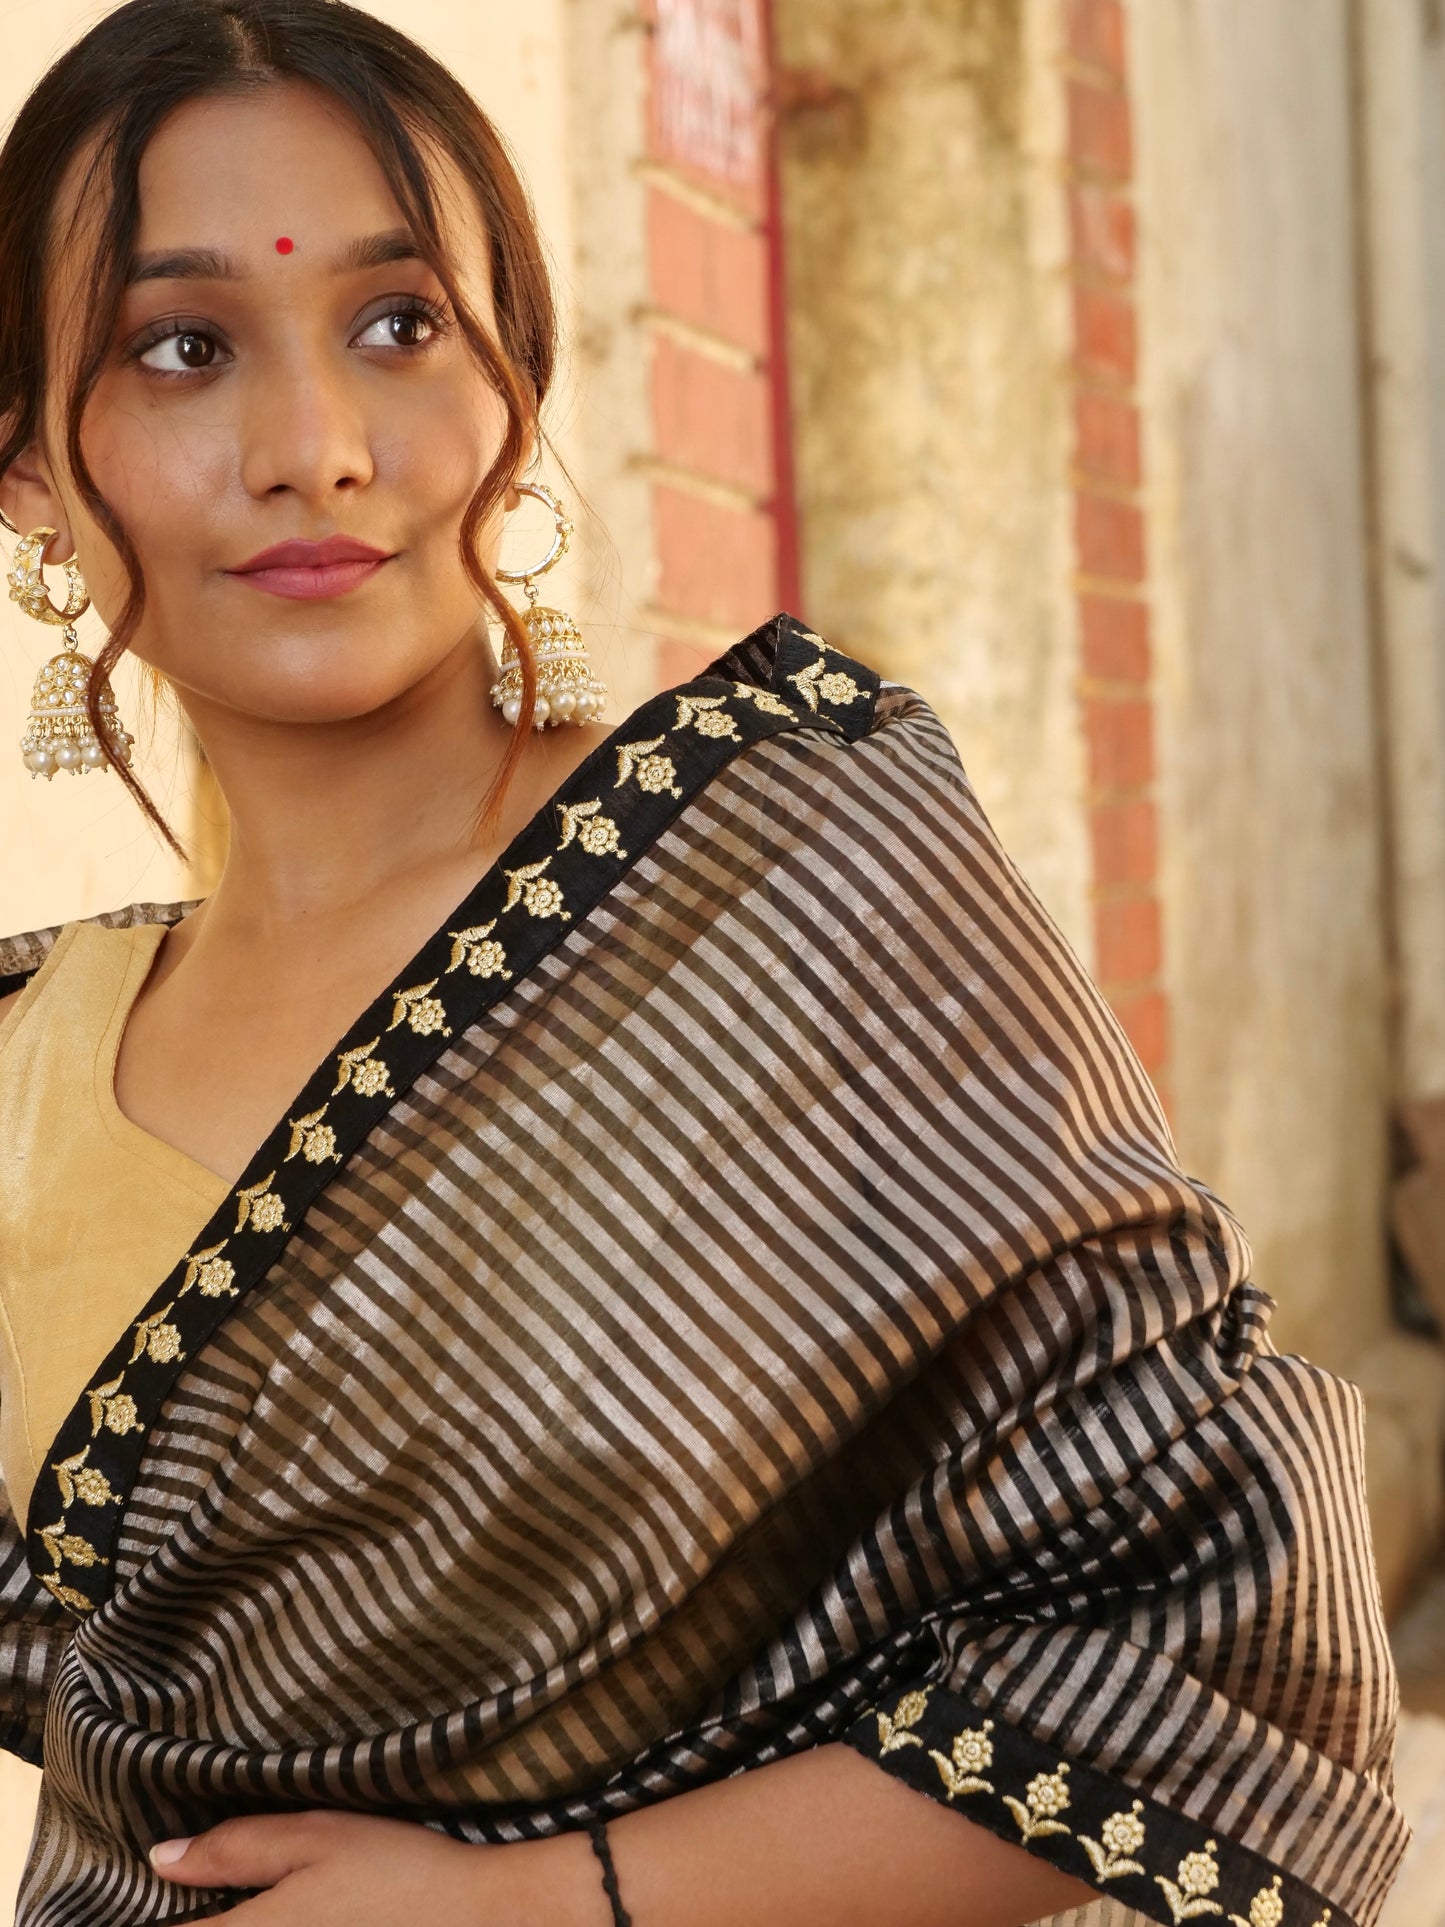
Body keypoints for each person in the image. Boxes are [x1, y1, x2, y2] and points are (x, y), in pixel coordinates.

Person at [0, 2, 1409, 1923]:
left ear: (514, 394)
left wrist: (542, 1903)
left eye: (399, 324)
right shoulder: (31, 1064)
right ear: (26, 461)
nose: (314, 448)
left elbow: (1228, 1623)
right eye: (183, 348)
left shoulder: (784, 884)